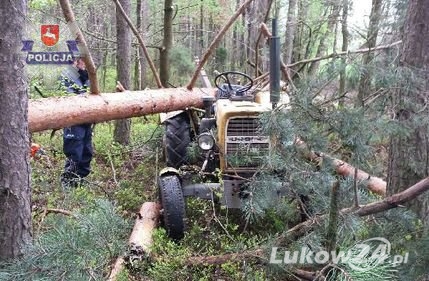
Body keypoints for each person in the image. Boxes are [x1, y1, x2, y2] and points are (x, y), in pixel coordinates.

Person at [60, 57, 93, 187]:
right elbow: (69, 99)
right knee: (75, 154)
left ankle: (80, 183)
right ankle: (68, 185)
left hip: (86, 122)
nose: (84, 64)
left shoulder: (86, 76)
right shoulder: (67, 76)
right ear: (75, 61)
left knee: (87, 153)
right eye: (82, 61)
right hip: (73, 123)